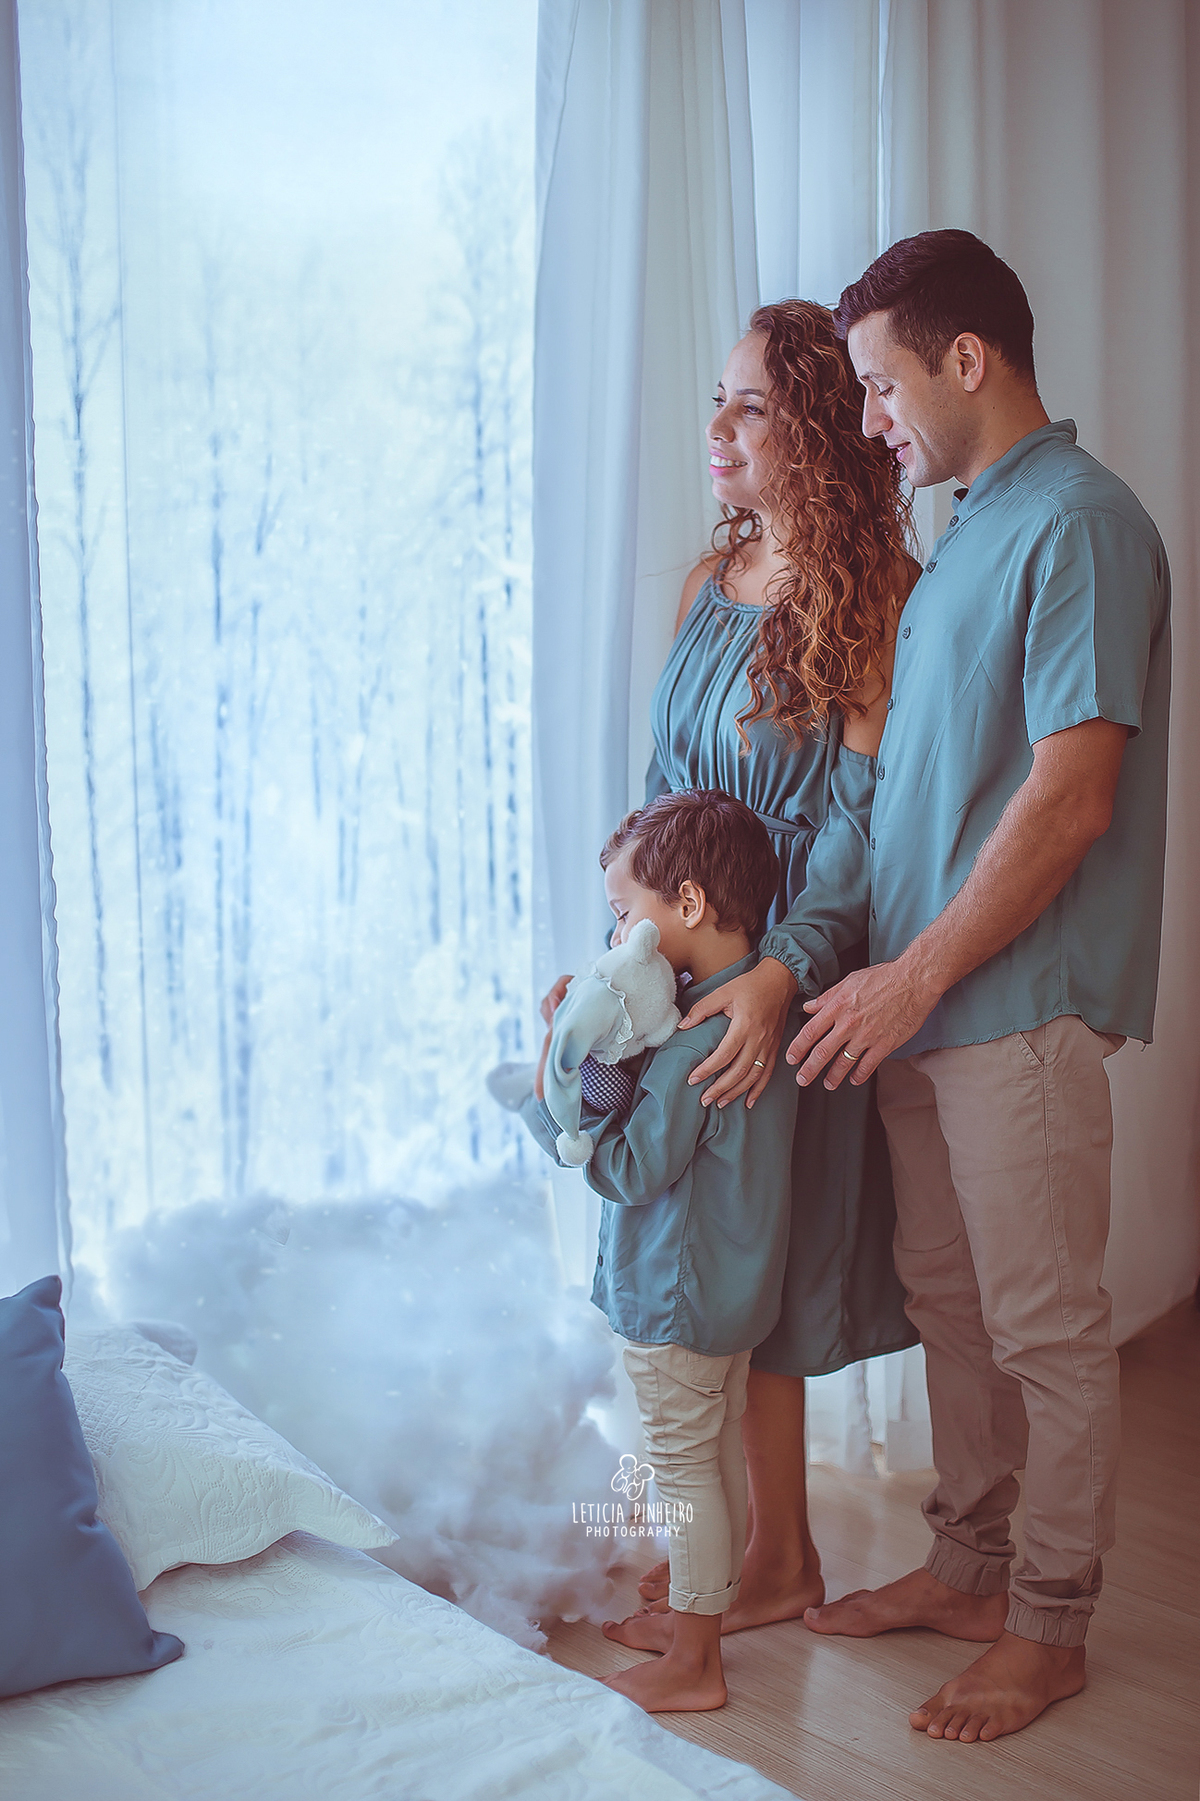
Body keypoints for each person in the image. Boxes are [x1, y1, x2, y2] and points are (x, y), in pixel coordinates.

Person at [688, 230, 1171, 1743]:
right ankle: (971, 1570)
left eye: (885, 384)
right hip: (913, 999)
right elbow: (896, 793)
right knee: (956, 1312)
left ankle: (1050, 1623)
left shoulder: (1079, 521)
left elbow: (1071, 794)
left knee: (1045, 1329)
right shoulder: (969, 532)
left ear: (970, 359)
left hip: (1007, 1003)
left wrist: (913, 980)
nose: (870, 417)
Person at [543, 301, 922, 1632]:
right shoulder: (710, 584)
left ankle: (773, 1556)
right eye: (719, 396)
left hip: (787, 973)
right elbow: (661, 797)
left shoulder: (875, 597)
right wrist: (628, 952)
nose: (716, 426)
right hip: (682, 966)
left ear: (814, 425)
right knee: (684, 1247)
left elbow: (863, 826)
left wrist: (778, 973)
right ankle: (746, 1552)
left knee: (768, 1250)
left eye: (749, 404)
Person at [522, 790, 801, 1713]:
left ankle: (695, 1660)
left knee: (685, 1468)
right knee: (714, 1455)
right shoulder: (754, 1013)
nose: (615, 936)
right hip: (735, 1290)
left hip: (673, 1299)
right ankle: (698, 1615)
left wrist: (555, 1101)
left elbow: (636, 1170)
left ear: (685, 903)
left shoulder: (689, 1047)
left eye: (622, 912)